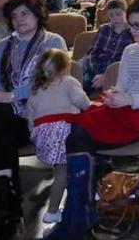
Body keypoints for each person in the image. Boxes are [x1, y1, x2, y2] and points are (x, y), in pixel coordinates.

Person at [46, 0, 139, 238]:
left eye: (138, 25)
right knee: (74, 127)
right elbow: (123, 85)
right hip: (127, 107)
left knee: (80, 135)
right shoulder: (130, 50)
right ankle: (81, 209)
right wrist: (115, 95)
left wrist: (130, 100)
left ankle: (78, 212)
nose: (132, 30)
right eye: (130, 25)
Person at [0, 0, 67, 227]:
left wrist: (10, 96)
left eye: (25, 13)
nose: (19, 19)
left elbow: (50, 81)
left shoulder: (52, 42)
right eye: (14, 16)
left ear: (38, 14)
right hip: (8, 118)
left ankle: (6, 192)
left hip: (42, 115)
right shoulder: (2, 47)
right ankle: (6, 190)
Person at [26, 49, 91, 224]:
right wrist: (91, 107)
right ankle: (57, 211)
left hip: (43, 135)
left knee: (60, 171)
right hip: (65, 131)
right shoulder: (69, 82)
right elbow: (82, 102)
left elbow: (31, 120)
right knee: (70, 171)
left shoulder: (36, 89)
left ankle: (57, 209)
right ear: (65, 68)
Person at [79, 0, 133, 93]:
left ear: (126, 13)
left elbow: (127, 61)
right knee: (85, 82)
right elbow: (92, 53)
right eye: (111, 15)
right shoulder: (104, 29)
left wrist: (106, 75)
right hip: (96, 68)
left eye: (118, 14)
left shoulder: (132, 33)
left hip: (116, 72)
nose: (115, 18)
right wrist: (97, 72)